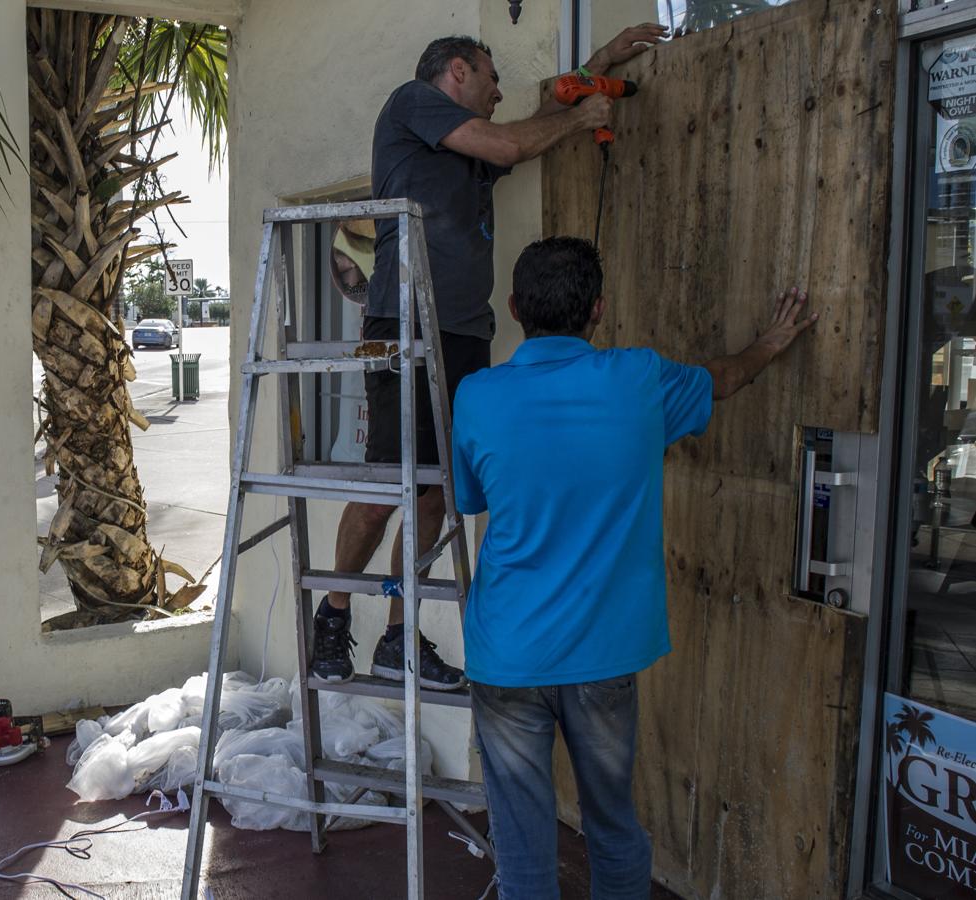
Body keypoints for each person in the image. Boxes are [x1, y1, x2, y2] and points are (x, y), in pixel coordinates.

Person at [450, 237, 817, 898]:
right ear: (597, 309)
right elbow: (725, 377)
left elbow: (470, 498)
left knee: (522, 846)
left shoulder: (476, 396)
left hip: (506, 654)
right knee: (614, 828)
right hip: (602, 658)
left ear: (512, 307)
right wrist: (769, 343)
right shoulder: (640, 381)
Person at [313, 24, 668, 690]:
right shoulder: (411, 104)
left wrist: (597, 67)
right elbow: (513, 139)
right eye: (490, 77)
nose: (500, 92)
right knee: (381, 493)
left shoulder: (470, 151)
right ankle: (332, 616)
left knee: (432, 497)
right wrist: (582, 115)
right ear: (454, 72)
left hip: (463, 331)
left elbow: (530, 129)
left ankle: (398, 636)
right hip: (404, 324)